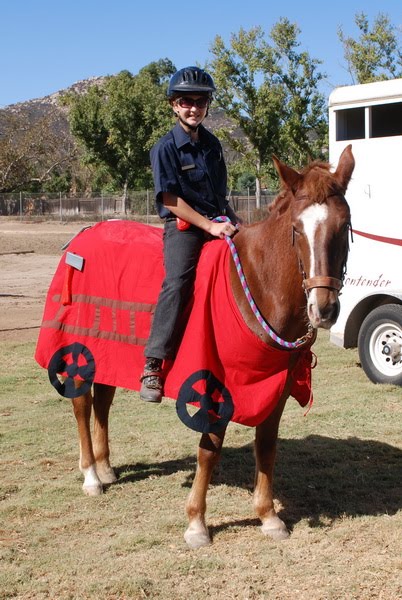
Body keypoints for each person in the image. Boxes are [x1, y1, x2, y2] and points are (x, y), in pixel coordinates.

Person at [140, 66, 240, 403]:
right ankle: (153, 364)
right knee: (178, 282)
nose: (193, 107)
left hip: (217, 218)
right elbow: (171, 200)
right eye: (186, 101)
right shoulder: (164, 148)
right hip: (184, 225)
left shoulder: (212, 145)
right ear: (173, 104)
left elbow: (221, 196)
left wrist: (238, 225)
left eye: (200, 101)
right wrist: (210, 226)